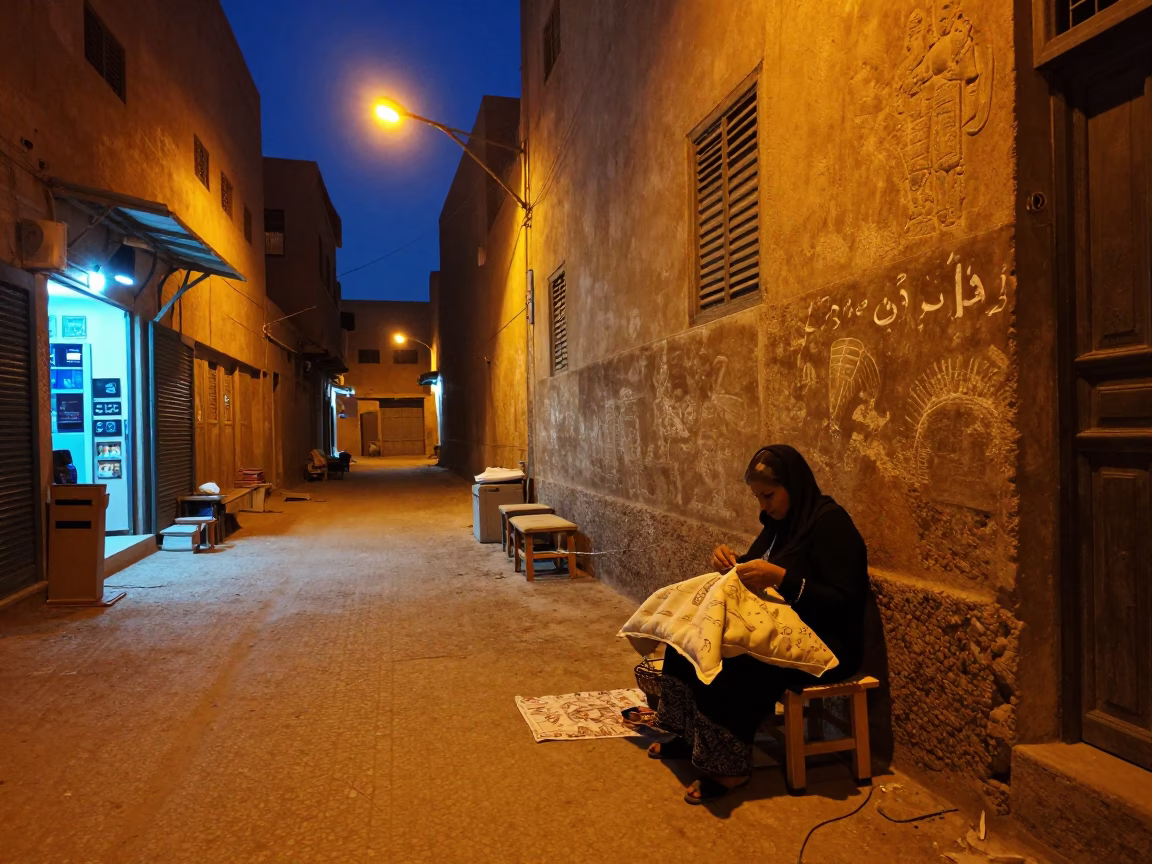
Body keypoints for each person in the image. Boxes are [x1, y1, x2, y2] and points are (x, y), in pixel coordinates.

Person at [650, 444, 870, 804]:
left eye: (768, 495)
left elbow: (844, 602)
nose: (763, 505)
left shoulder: (830, 524)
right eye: (758, 497)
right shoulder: (780, 525)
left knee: (733, 663)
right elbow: (755, 567)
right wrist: (732, 562)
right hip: (778, 630)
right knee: (688, 639)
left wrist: (783, 579)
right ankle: (689, 737)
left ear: (793, 486)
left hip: (825, 643)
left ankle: (728, 768)